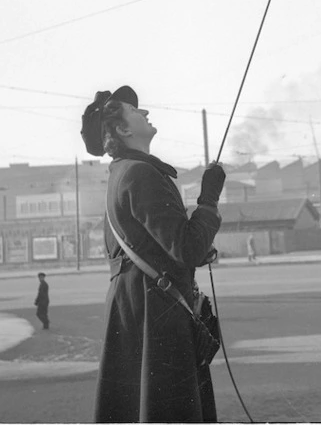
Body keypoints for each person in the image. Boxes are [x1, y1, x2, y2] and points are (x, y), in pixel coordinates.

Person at [81, 85, 225, 423]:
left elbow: (149, 246)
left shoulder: (123, 172)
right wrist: (209, 200)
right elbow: (186, 247)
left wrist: (196, 248)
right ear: (122, 129)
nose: (144, 112)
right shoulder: (141, 173)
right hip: (156, 314)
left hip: (139, 309)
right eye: (134, 110)